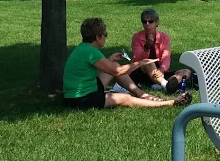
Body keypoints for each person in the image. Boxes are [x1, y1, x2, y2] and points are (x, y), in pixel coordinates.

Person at [63, 17, 192, 110]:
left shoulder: (84, 48)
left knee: (116, 66)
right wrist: (140, 63)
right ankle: (170, 103)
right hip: (81, 99)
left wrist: (109, 60)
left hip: (80, 92)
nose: (105, 38)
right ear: (97, 37)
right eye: (105, 35)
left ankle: (142, 94)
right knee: (125, 98)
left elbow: (106, 69)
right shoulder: (91, 52)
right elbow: (117, 72)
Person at [129, 8, 192, 92]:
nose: (147, 24)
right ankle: (166, 85)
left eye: (150, 21)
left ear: (156, 23)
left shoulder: (164, 37)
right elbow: (137, 59)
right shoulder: (136, 37)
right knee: (148, 62)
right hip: (141, 72)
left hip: (158, 72)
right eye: (144, 21)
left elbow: (166, 56)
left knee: (186, 71)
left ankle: (166, 83)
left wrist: (162, 69)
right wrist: (146, 47)